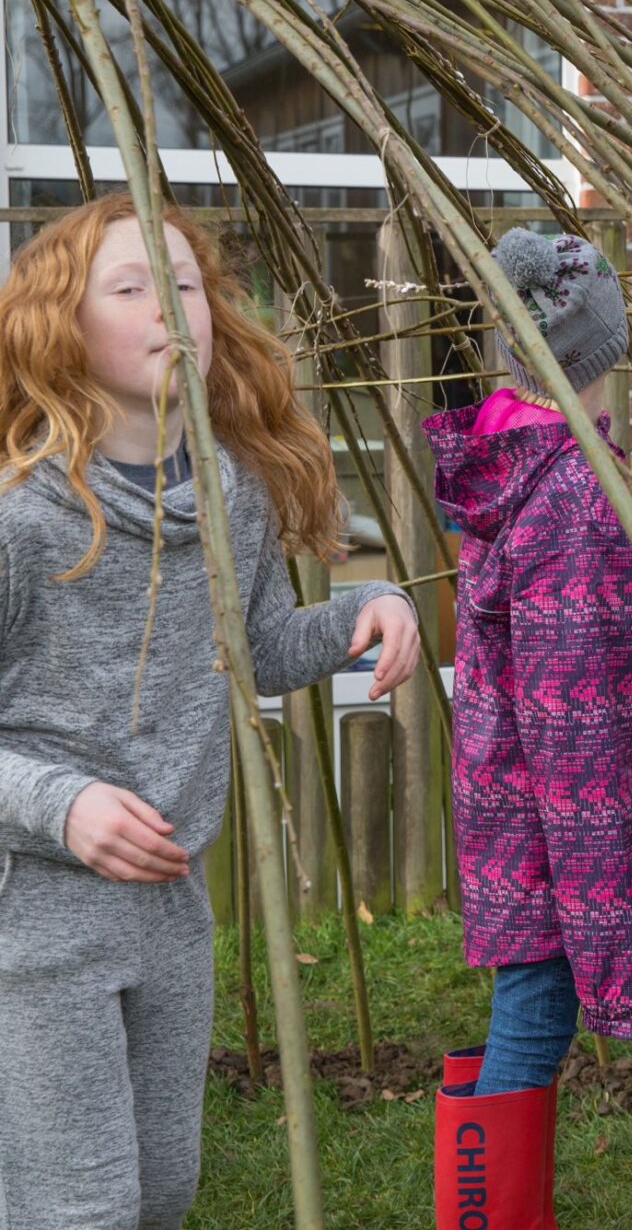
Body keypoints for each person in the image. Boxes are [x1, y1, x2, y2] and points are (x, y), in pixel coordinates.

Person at [0, 195, 419, 1229]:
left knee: (160, 1194)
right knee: (79, 1208)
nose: (166, 306)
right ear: (61, 326)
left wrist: (368, 606)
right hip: (33, 911)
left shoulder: (230, 492)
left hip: (172, 902)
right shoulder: (20, 517)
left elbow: (259, 644)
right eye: (130, 287)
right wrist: (62, 804)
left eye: (182, 284)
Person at [426, 227, 632, 1228]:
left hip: (509, 800)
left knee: (524, 1007)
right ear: (593, 350)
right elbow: (571, 719)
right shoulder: (574, 492)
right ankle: (487, 1215)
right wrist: (596, 896)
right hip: (552, 821)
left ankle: (495, 1209)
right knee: (535, 1016)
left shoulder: (511, 455)